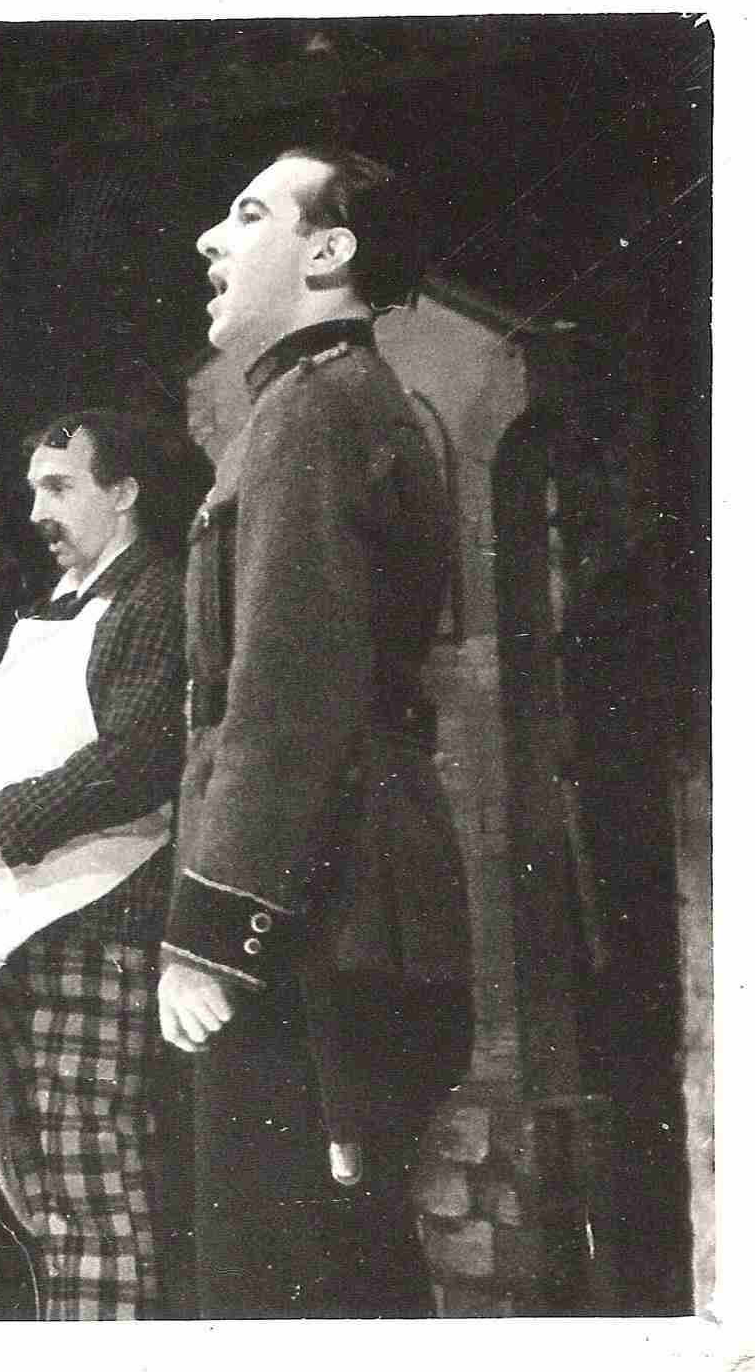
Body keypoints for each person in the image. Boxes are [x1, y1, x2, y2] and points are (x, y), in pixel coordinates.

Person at [159, 146, 474, 1316]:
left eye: (247, 214)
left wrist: (211, 930)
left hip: (309, 913)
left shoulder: (307, 409)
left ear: (328, 251)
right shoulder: (340, 399)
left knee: (279, 1281)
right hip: (351, 894)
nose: (210, 238)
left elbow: (287, 695)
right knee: (349, 1270)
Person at [0, 410, 207, 1319]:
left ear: (123, 493)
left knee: (94, 1181)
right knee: (48, 1185)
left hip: (100, 925)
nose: (38, 512)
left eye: (59, 488)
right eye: (34, 491)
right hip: (26, 930)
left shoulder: (152, 598)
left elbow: (136, 759)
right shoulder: (58, 604)